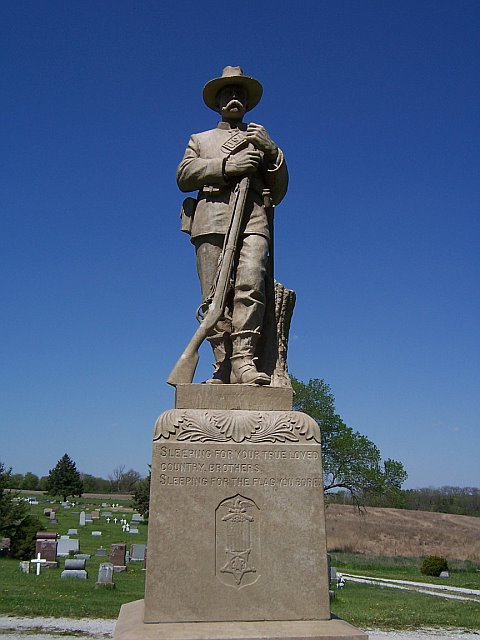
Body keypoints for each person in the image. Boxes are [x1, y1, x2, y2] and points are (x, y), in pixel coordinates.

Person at [176, 66, 288, 385]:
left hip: (252, 215)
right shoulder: (200, 139)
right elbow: (184, 176)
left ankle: (244, 359)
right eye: (228, 92)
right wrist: (227, 166)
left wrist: (273, 152)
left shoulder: (260, 140)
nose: (234, 97)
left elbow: (278, 190)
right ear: (218, 102)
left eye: (240, 92)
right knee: (214, 298)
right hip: (211, 216)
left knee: (251, 286)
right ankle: (221, 365)